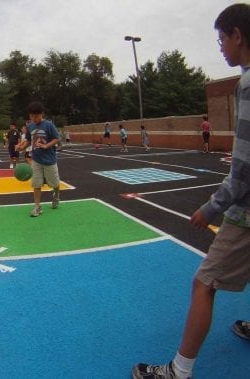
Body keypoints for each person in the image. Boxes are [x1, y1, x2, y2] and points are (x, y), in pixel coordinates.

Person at [133, 4, 250, 378]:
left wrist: (211, 208)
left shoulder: (247, 85)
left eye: (221, 39)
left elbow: (244, 168)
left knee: (204, 283)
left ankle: (178, 371)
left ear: (237, 35)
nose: (220, 48)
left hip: (246, 210)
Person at [17, 102, 60, 217]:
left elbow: (57, 138)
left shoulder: (48, 125)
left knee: (54, 183)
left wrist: (47, 146)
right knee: (36, 183)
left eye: (36, 116)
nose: (33, 118)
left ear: (42, 114)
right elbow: (28, 141)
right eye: (31, 116)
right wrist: (21, 147)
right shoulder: (30, 126)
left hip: (50, 160)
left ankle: (56, 196)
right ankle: (37, 207)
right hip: (36, 159)